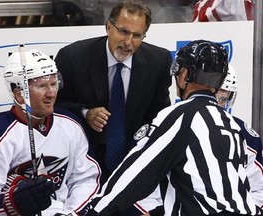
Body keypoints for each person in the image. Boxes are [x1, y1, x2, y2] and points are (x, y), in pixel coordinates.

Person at [82, 40, 263, 216]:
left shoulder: (181, 114)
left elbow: (134, 174)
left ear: (183, 74)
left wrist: (95, 209)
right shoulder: (230, 122)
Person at [55, 0, 172, 183]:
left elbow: (160, 114)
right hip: (83, 162)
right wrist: (85, 113)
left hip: (134, 163)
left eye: (137, 35)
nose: (128, 42)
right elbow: (56, 106)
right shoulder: (73, 57)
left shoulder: (159, 61)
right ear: (108, 27)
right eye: (123, 32)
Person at [0, 48, 101, 215]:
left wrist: (72, 213)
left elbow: (86, 180)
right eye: (42, 86)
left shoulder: (71, 125)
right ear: (19, 95)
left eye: (54, 84)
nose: (51, 93)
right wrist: (13, 202)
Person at [216, 64, 263, 208]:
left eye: (222, 100)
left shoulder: (245, 136)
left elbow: (259, 190)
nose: (216, 105)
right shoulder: (172, 123)